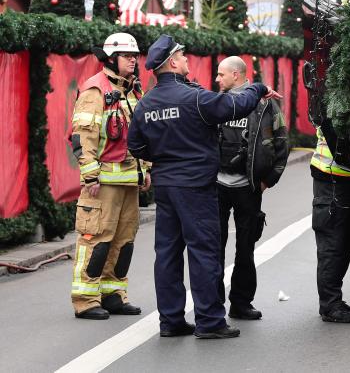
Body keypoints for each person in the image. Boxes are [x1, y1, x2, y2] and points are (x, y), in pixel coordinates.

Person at [127, 35, 281, 339]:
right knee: (204, 251)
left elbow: (136, 145)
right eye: (182, 56)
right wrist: (259, 87)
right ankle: (210, 321)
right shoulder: (195, 99)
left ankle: (170, 321)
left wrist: (165, 156)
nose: (186, 60)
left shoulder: (146, 104)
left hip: (166, 187)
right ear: (173, 62)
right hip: (196, 186)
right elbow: (237, 104)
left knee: (168, 253)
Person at [70, 33, 150, 320]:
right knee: (96, 240)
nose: (133, 59)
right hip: (102, 184)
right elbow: (83, 137)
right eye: (127, 55)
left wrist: (146, 170)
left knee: (123, 241)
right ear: (111, 59)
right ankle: (86, 300)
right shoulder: (95, 90)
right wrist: (90, 176)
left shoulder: (133, 91)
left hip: (129, 182)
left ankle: (113, 294)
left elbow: (142, 136)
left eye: (135, 55)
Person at [215, 56, 289, 321]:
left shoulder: (265, 104)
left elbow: (282, 143)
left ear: (236, 75)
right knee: (214, 247)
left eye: (221, 74)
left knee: (245, 248)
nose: (217, 79)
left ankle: (241, 303)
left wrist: (269, 179)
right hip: (217, 187)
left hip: (249, 188)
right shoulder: (217, 101)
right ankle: (213, 305)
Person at [311, 123, 350, 323]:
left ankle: (334, 301)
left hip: (346, 176)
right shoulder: (335, 101)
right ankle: (330, 304)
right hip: (332, 175)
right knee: (333, 243)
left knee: (346, 241)